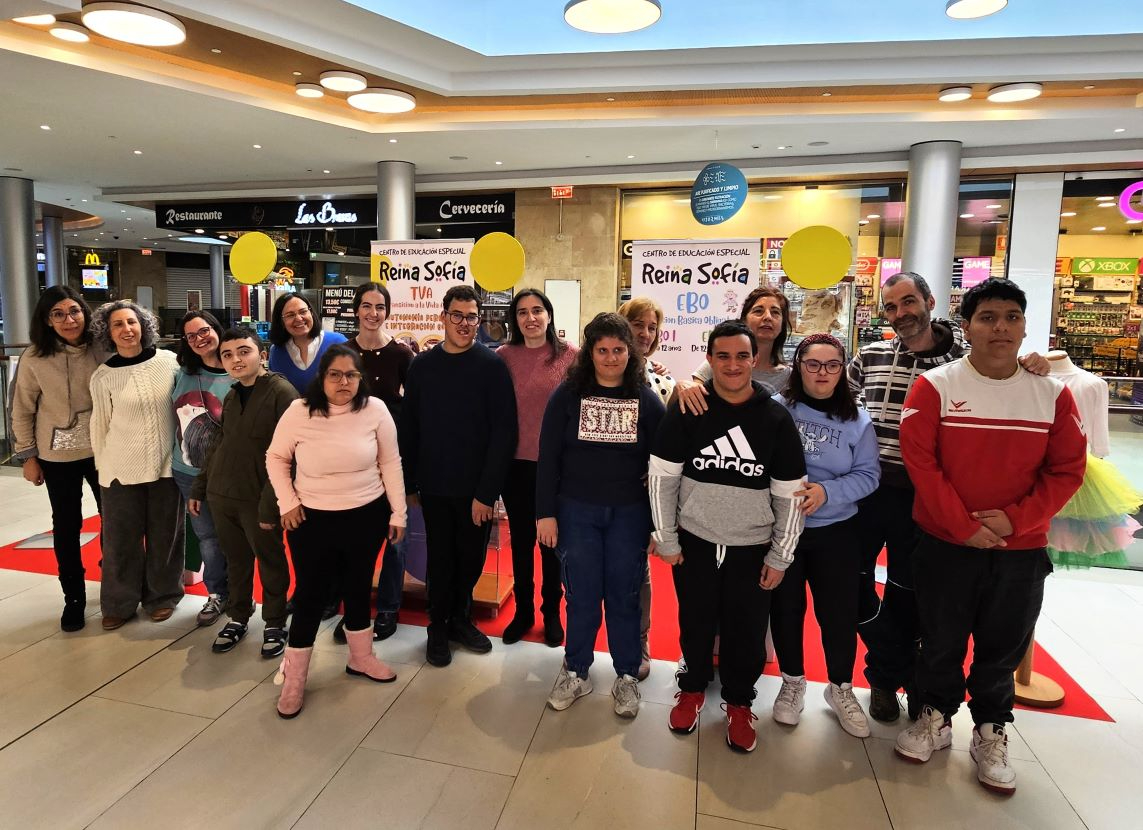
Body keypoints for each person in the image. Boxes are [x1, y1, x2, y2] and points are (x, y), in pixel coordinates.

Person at [894, 278, 1085, 795]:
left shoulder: (1051, 394)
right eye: (988, 318)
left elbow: (1067, 470)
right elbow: (922, 463)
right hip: (944, 544)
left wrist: (1017, 521)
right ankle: (933, 715)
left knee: (1002, 647)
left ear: (1024, 325)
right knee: (939, 638)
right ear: (968, 325)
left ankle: (990, 729)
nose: (1000, 327)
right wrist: (964, 526)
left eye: (1011, 317)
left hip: (1020, 550)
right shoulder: (936, 386)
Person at [847, 271, 1048, 722]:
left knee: (912, 596)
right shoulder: (870, 355)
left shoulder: (966, 360)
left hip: (928, 502)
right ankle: (885, 669)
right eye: (892, 307)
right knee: (852, 587)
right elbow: (837, 407)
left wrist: (1033, 363)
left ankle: (910, 682)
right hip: (866, 495)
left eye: (909, 302)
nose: (902, 314)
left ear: (930, 300)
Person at [648, 320, 806, 751]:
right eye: (723, 356)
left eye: (741, 356)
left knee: (747, 632)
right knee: (694, 623)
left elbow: (791, 495)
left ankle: (738, 702)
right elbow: (662, 478)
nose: (732, 365)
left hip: (752, 548)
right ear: (710, 359)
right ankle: (693, 688)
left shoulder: (775, 418)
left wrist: (781, 556)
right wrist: (666, 537)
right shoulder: (689, 408)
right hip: (695, 541)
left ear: (754, 359)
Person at [266, 345, 407, 718]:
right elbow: (276, 457)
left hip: (366, 515)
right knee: (311, 595)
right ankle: (295, 676)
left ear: (361, 378)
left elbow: (390, 462)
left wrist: (399, 513)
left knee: (358, 586)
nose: (344, 382)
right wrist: (287, 502)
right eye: (335, 374)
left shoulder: (375, 410)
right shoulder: (299, 411)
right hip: (311, 518)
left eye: (352, 375)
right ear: (322, 377)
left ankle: (361, 658)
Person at [538, 312, 664, 719]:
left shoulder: (646, 400)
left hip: (630, 514)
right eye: (602, 350)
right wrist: (545, 513)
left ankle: (626, 676)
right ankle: (576, 669)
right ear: (589, 353)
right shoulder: (567, 396)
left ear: (631, 353)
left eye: (619, 350)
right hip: (576, 512)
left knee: (625, 596)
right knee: (582, 596)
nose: (611, 358)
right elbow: (547, 458)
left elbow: (664, 466)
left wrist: (661, 524)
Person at [399, 285, 517, 668]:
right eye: (457, 315)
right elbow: (411, 427)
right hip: (433, 485)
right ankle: (438, 625)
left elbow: (504, 432)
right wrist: (411, 482)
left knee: (470, 560)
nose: (464, 324)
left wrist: (487, 492)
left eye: (471, 317)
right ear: (443, 316)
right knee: (440, 559)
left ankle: (460, 619)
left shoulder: (492, 366)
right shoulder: (423, 366)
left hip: (474, 490)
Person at [769, 333, 880, 738]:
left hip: (835, 530)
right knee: (786, 609)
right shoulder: (778, 409)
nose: (822, 373)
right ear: (799, 367)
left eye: (832, 364)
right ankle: (792, 681)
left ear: (842, 369)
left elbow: (869, 475)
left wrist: (827, 491)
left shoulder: (857, 419)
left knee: (837, 613)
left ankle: (840, 687)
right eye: (813, 364)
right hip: (784, 533)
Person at [190, 328, 297, 658]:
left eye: (243, 351)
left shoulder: (282, 393)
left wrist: (271, 504)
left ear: (261, 354)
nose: (236, 359)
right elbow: (222, 444)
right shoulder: (233, 394)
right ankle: (238, 616)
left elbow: (290, 455)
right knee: (236, 562)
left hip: (259, 498)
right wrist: (201, 485)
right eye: (228, 354)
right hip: (224, 495)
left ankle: (275, 622)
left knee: (271, 562)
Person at [11, 286, 104, 631]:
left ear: (85, 312)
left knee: (116, 519)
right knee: (67, 527)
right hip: (56, 455)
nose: (69, 319)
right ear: (47, 321)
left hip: (103, 450)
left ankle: (115, 581)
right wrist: (28, 457)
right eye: (59, 314)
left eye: (74, 311)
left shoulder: (101, 347)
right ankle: (74, 598)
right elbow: (21, 409)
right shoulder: (35, 358)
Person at [89, 301, 184, 630]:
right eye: (117, 325)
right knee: (120, 540)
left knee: (165, 535)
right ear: (108, 332)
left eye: (132, 322)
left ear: (143, 327)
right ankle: (118, 602)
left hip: (166, 467)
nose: (126, 329)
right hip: (119, 469)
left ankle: (162, 596)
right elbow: (99, 426)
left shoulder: (170, 363)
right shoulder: (103, 376)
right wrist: (104, 470)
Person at [497, 288, 577, 647]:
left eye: (537, 310)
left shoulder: (570, 357)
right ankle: (524, 612)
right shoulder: (503, 356)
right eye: (523, 312)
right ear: (514, 319)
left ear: (549, 315)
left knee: (551, 546)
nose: (530, 318)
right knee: (521, 544)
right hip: (515, 466)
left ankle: (550, 615)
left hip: (556, 469)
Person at [343, 281, 414, 642]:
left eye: (380, 307)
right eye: (367, 306)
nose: (373, 313)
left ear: (388, 311)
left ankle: (388, 608)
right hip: (353, 462)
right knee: (356, 540)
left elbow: (414, 408)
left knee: (395, 536)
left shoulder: (402, 354)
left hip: (393, 460)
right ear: (356, 310)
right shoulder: (342, 353)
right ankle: (354, 613)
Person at [617, 296, 674, 680]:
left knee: (640, 574)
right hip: (599, 493)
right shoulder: (597, 373)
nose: (645, 333)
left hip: (640, 497)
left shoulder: (662, 383)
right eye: (638, 324)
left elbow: (668, 445)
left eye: (652, 327)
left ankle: (640, 640)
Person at [171, 310, 231, 627]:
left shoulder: (238, 372)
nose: (199, 339)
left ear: (217, 330)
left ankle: (241, 593)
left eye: (204, 331)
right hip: (187, 472)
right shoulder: (181, 373)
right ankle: (217, 593)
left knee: (235, 537)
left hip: (229, 476)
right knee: (207, 537)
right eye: (191, 335)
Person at [676, 286, 793, 414]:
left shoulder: (789, 377)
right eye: (758, 311)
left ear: (783, 324)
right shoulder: (719, 363)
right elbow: (692, 399)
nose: (767, 317)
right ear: (744, 319)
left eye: (775, 312)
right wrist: (682, 387)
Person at [267, 292, 347, 394]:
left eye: (303, 312)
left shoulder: (338, 342)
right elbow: (276, 392)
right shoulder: (277, 352)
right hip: (292, 410)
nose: (299, 318)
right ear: (281, 321)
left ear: (311, 313)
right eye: (290, 315)